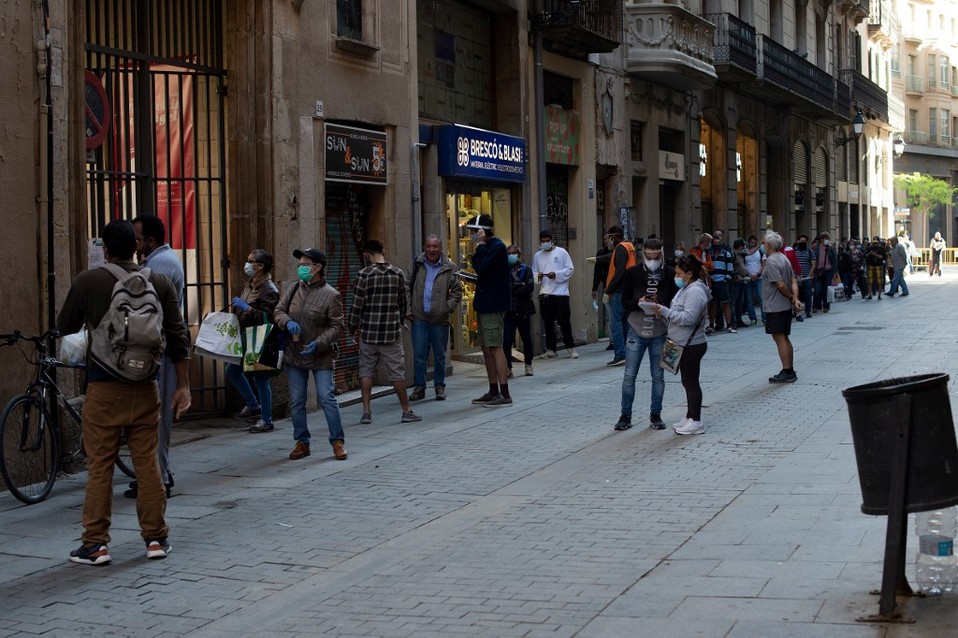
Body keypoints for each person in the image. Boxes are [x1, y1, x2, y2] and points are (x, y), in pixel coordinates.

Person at [58, 219, 191, 565]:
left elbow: (65, 325)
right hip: (146, 387)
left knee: (100, 466)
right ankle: (156, 538)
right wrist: (183, 385)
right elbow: (178, 335)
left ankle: (96, 544)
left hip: (103, 387)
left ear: (105, 248)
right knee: (147, 463)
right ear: (136, 247)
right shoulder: (158, 282)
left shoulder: (88, 281)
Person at [124, 214, 184, 499]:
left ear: (150, 240)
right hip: (160, 348)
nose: (134, 245)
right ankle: (157, 473)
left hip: (160, 351)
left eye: (137, 239)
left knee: (156, 419)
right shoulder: (161, 260)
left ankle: (158, 478)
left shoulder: (159, 265)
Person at [275, 248, 349, 460]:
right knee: (297, 401)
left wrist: (319, 343)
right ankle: (302, 442)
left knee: (326, 398)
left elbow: (337, 326)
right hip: (295, 354)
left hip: (320, 355)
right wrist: (287, 322)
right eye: (299, 264)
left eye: (305, 265)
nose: (300, 268)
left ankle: (337, 441)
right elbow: (278, 311)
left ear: (317, 268)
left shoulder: (331, 294)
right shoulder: (293, 288)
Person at [348, 239, 422, 424]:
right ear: (383, 251)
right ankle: (406, 410)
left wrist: (352, 327)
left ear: (366, 255)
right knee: (397, 373)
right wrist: (401, 320)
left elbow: (356, 305)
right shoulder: (397, 273)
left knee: (366, 371)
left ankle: (366, 412)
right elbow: (402, 302)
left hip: (369, 332)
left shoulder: (363, 275)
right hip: (391, 333)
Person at [615, 238, 678, 431]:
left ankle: (656, 415)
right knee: (629, 375)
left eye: (656, 256)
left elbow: (675, 300)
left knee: (658, 375)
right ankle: (625, 416)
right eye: (649, 256)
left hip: (659, 332)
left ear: (661, 254)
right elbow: (624, 302)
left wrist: (662, 307)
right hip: (636, 330)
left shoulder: (669, 273)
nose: (652, 260)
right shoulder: (632, 273)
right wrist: (639, 302)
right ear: (643, 254)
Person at [647, 254, 710, 435]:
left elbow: (689, 318)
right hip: (680, 342)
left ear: (689, 274)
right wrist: (661, 312)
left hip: (691, 344)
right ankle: (690, 416)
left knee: (691, 382)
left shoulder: (695, 291)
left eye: (679, 273)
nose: (676, 276)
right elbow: (676, 313)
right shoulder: (685, 289)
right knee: (687, 381)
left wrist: (665, 311)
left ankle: (696, 420)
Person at [227, 248, 280, 433]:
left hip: (260, 339)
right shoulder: (251, 284)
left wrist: (246, 308)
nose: (247, 264)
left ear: (260, 266)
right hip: (247, 336)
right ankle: (253, 405)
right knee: (232, 370)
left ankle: (266, 419)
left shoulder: (269, 289)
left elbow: (269, 317)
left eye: (250, 261)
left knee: (261, 378)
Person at [406, 235, 462, 402]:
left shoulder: (450, 266)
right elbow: (405, 286)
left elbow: (457, 291)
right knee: (419, 354)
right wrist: (408, 309)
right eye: (429, 246)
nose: (431, 250)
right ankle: (419, 387)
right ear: (424, 247)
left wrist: (447, 308)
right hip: (419, 317)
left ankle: (439, 386)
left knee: (439, 355)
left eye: (435, 246)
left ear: (441, 248)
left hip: (440, 319)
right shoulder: (417, 263)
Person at [466, 214, 514, 407]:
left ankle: (505, 393)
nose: (472, 235)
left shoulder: (496, 247)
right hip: (485, 303)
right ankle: (493, 390)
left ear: (482, 231)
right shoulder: (489, 246)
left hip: (493, 305)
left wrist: (480, 245)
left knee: (495, 347)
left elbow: (481, 267)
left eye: (474, 231)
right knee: (486, 349)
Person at [761, 231, 803, 383]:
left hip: (776, 306)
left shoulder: (772, 261)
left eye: (763, 243)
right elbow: (793, 280)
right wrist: (795, 299)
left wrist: (792, 298)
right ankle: (788, 369)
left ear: (769, 245)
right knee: (784, 337)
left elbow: (780, 284)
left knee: (780, 338)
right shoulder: (783, 258)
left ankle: (787, 371)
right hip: (782, 305)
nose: (762, 245)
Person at [532, 229, 578, 359]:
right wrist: (538, 276)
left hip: (560, 293)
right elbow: (534, 272)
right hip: (545, 293)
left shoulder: (562, 252)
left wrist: (556, 275)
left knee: (564, 321)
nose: (545, 243)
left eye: (547, 241)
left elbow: (570, 269)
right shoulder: (537, 256)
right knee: (548, 322)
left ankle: (570, 347)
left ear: (552, 240)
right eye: (543, 241)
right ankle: (551, 349)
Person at [599, 225, 636, 365]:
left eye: (608, 238)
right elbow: (612, 258)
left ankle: (620, 353)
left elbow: (619, 272)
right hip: (627, 290)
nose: (607, 241)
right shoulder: (628, 247)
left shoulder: (620, 248)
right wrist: (596, 259)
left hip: (618, 291)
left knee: (616, 323)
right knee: (625, 323)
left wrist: (608, 291)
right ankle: (627, 353)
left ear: (613, 237)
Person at [503, 244, 536, 377]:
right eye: (509, 253)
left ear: (519, 254)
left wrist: (514, 288)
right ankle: (508, 367)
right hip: (509, 310)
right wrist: (519, 284)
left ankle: (528, 364)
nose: (511, 256)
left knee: (526, 338)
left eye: (514, 253)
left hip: (523, 309)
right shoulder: (503, 270)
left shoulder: (526, 269)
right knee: (507, 340)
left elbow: (529, 287)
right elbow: (504, 287)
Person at [706, 230, 735, 333]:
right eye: (715, 242)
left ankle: (729, 325)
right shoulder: (708, 254)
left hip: (722, 281)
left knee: (725, 303)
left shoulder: (726, 254)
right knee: (713, 304)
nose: (717, 244)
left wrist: (726, 279)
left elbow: (730, 269)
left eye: (718, 242)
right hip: (712, 282)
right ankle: (711, 325)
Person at [811, 232, 837, 313]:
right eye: (822, 238)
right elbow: (813, 259)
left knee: (827, 289)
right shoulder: (816, 247)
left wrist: (835, 272)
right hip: (818, 271)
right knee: (817, 289)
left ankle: (826, 306)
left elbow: (834, 260)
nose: (824, 240)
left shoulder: (831, 248)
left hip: (828, 271)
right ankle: (815, 306)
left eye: (826, 238)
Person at [744, 235, 766, 325]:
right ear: (748, 243)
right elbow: (742, 264)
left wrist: (758, 274)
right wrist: (749, 274)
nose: (753, 244)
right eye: (751, 242)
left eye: (754, 243)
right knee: (749, 299)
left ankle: (764, 318)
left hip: (759, 278)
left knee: (761, 298)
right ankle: (753, 318)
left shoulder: (760, 251)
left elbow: (764, 264)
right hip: (748, 278)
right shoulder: (745, 252)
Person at [730, 238, 751, 328]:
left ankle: (739, 319)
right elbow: (731, 266)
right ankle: (733, 321)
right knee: (733, 301)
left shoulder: (741, 255)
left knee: (740, 301)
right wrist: (736, 275)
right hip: (736, 281)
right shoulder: (733, 255)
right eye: (743, 246)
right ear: (740, 246)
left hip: (743, 280)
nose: (744, 248)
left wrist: (748, 274)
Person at [793, 234, 814, 320]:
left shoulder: (810, 251)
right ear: (798, 241)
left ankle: (808, 311)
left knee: (808, 294)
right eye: (801, 240)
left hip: (806, 277)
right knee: (796, 295)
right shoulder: (794, 251)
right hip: (796, 278)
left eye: (804, 241)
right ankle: (797, 312)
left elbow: (814, 264)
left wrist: (810, 274)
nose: (803, 242)